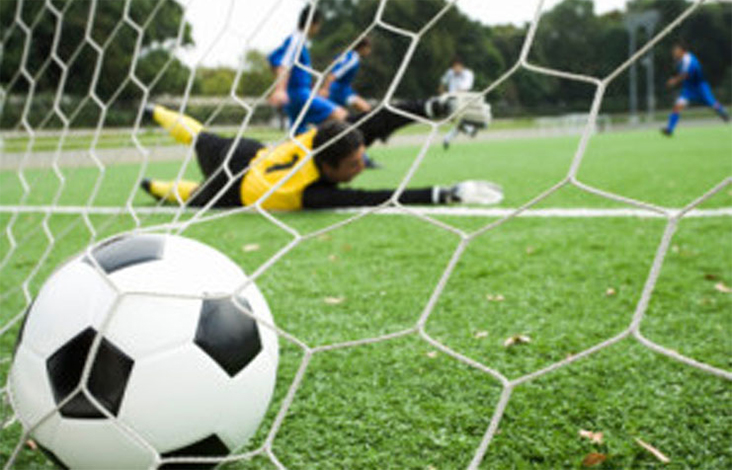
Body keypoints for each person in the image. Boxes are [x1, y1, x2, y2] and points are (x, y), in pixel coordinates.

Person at [140, 99, 501, 211]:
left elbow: (377, 118)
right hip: (236, 187)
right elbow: (376, 198)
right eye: (354, 165)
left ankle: (154, 176)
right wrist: (442, 194)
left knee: (201, 139)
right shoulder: (312, 192)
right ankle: (155, 121)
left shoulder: (325, 137)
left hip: (250, 153)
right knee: (195, 190)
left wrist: (435, 106)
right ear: (329, 168)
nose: (362, 167)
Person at [267, 6, 347, 135]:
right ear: (314, 24)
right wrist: (280, 90)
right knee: (340, 115)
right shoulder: (295, 40)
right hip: (299, 95)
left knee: (299, 135)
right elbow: (283, 64)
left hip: (299, 94)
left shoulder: (299, 41)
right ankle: (339, 153)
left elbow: (272, 58)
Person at [662, 43, 729, 136]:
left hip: (700, 86)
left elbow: (686, 75)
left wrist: (674, 80)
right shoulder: (679, 61)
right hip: (688, 88)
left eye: (676, 51)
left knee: (711, 103)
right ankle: (670, 129)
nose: (674, 53)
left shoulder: (689, 60)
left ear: (682, 51)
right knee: (678, 106)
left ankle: (723, 113)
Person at [319, 37, 373, 113]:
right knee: (366, 109)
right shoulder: (353, 59)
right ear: (363, 48)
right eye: (369, 48)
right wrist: (325, 89)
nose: (369, 51)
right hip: (338, 90)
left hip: (342, 89)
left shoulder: (346, 54)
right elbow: (334, 73)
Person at [439, 57, 481, 149]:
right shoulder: (449, 73)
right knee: (458, 122)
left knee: (459, 122)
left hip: (463, 100)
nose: (456, 69)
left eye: (457, 67)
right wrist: (443, 94)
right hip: (451, 100)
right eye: (454, 67)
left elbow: (466, 88)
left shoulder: (468, 74)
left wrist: (455, 93)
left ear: (462, 66)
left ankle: (449, 138)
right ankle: (469, 131)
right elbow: (442, 83)